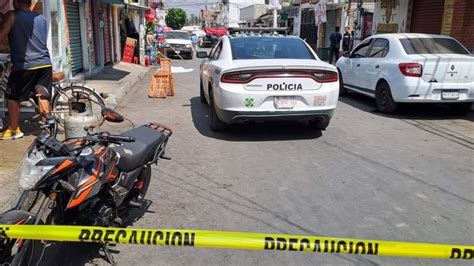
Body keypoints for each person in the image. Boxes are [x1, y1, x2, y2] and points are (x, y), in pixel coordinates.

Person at [0, 0, 52, 140]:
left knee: (12, 96)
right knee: (42, 95)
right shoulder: (41, 18)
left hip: (25, 65)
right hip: (45, 64)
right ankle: (47, 128)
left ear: (16, 2)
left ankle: (14, 129)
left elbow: (1, 37)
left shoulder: (12, 16)